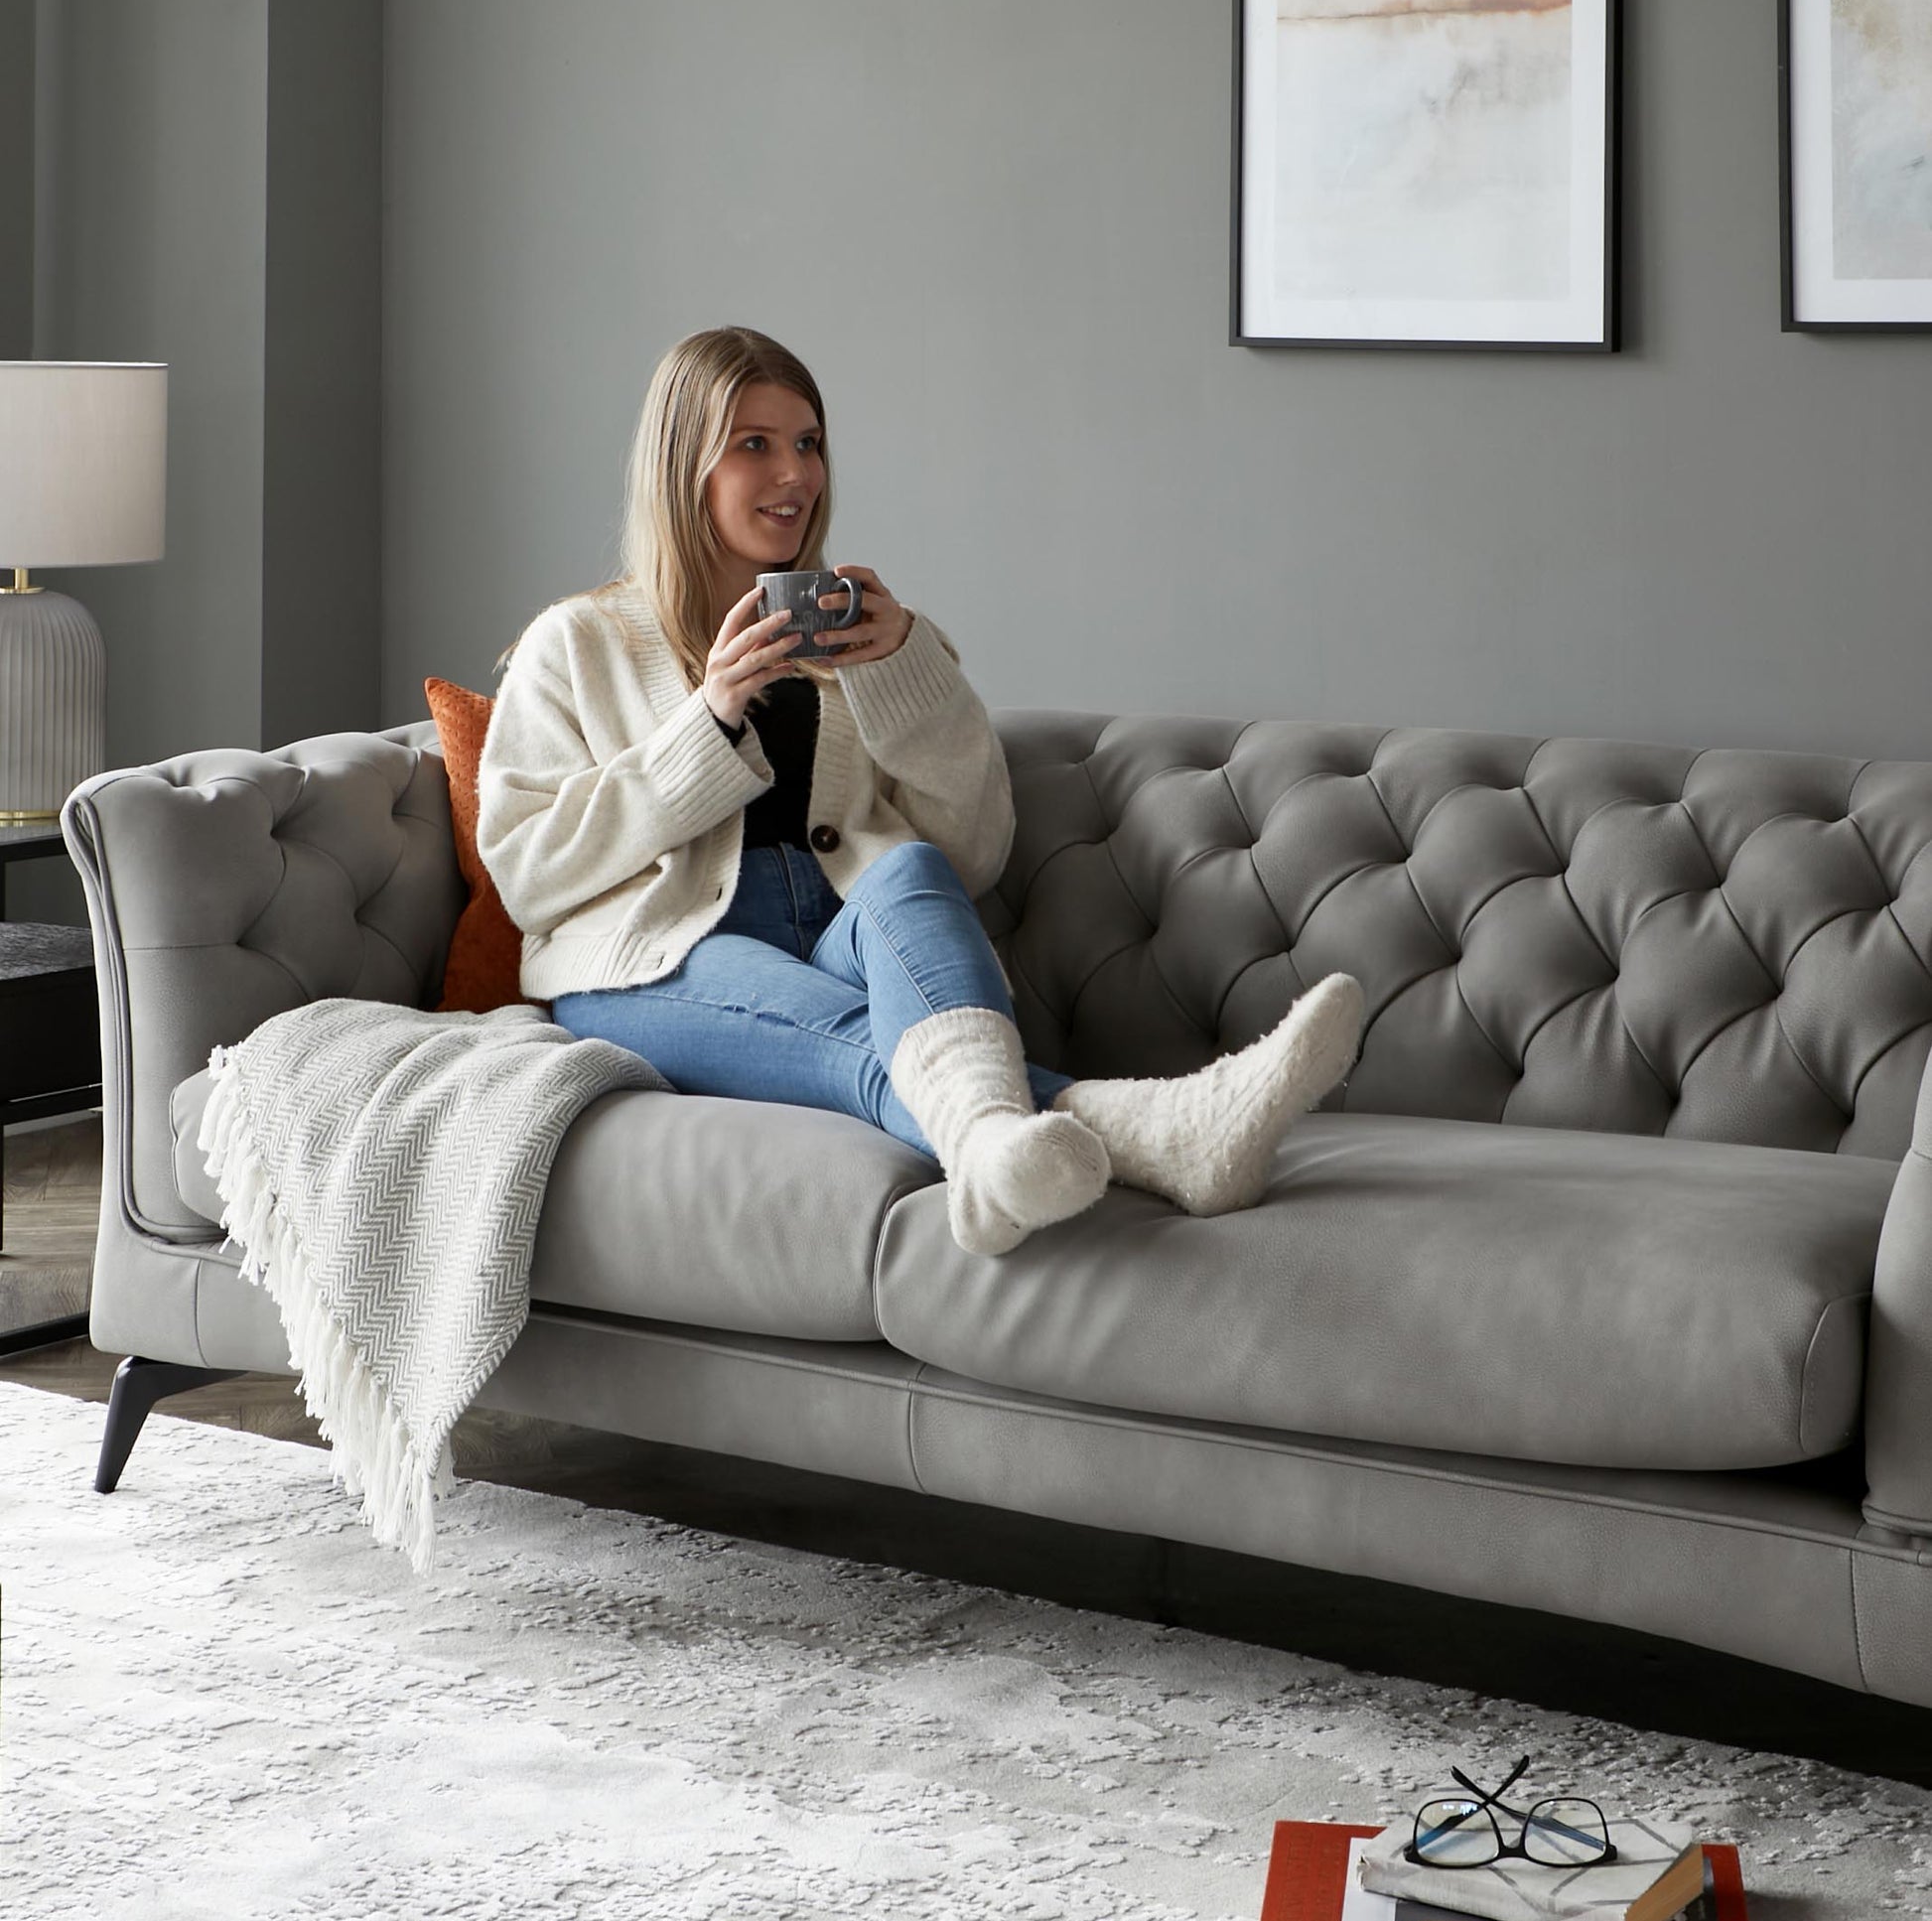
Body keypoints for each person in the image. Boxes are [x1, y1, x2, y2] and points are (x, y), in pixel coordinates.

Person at [476, 326, 1361, 1257]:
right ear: (683, 466)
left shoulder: (867, 642)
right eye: (755, 444)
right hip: (647, 962)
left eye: (808, 443)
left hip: (833, 934)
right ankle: (1147, 1126)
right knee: (877, 1047)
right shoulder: (577, 644)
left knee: (908, 871)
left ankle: (1010, 1149)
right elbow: (529, 874)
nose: (795, 474)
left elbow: (972, 852)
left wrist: (910, 674)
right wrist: (712, 719)